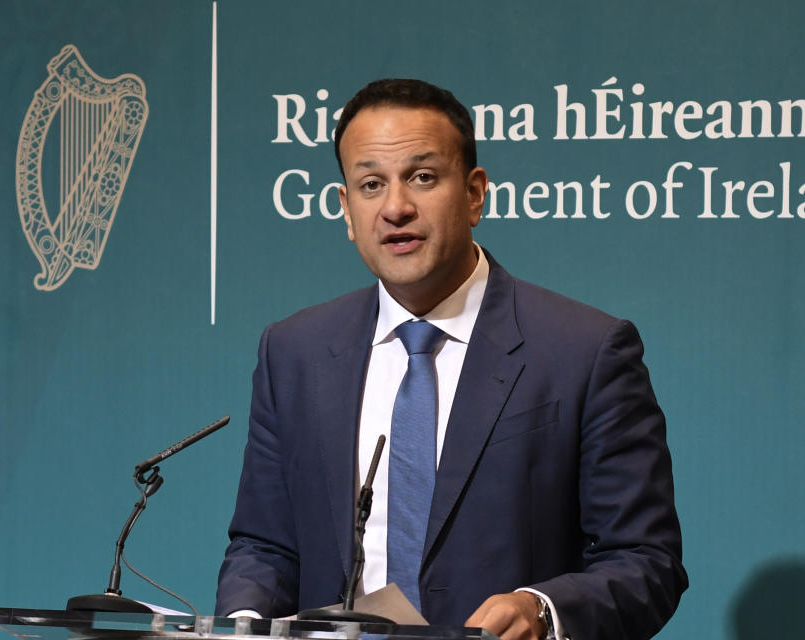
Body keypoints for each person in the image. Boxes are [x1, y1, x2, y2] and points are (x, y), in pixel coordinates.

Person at [215, 79, 687, 640]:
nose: (395, 207)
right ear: (346, 209)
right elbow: (264, 544)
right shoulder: (293, 352)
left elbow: (645, 561)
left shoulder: (585, 351)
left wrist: (542, 609)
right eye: (370, 184)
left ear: (474, 193)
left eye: (422, 177)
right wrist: (240, 625)